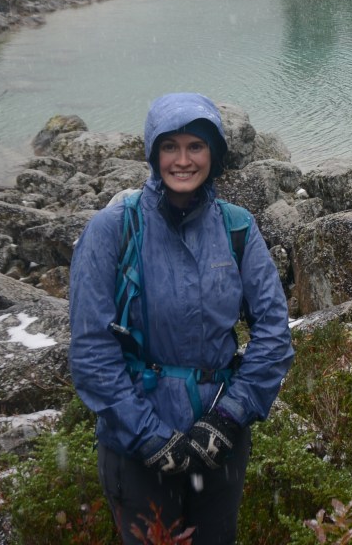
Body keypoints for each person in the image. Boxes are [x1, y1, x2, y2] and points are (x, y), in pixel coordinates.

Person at [69, 92, 294, 545]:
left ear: (215, 153)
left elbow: (274, 332)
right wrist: (149, 438)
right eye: (170, 146)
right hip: (135, 448)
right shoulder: (112, 229)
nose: (183, 160)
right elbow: (92, 350)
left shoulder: (237, 228)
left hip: (220, 446)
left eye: (196, 146)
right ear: (153, 154)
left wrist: (229, 418)